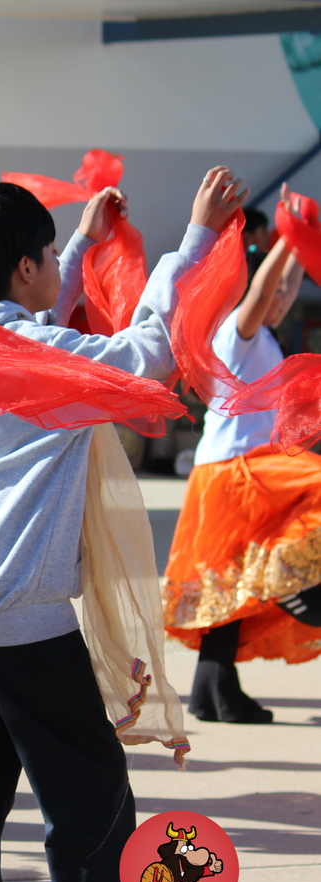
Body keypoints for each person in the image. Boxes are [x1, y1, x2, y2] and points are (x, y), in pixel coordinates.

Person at [0, 167, 247, 882]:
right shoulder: (39, 357)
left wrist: (72, 250)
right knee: (91, 799)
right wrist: (194, 240)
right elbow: (143, 350)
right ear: (22, 267)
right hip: (25, 613)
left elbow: (28, 315)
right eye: (41, 263)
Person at [164, 190, 321, 723]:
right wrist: (283, 240)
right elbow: (261, 291)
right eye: (271, 292)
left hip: (236, 471)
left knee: (225, 586)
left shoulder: (264, 338)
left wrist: (300, 242)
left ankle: (214, 692)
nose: (280, 299)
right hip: (237, 472)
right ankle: (293, 585)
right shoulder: (238, 332)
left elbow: (282, 288)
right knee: (233, 579)